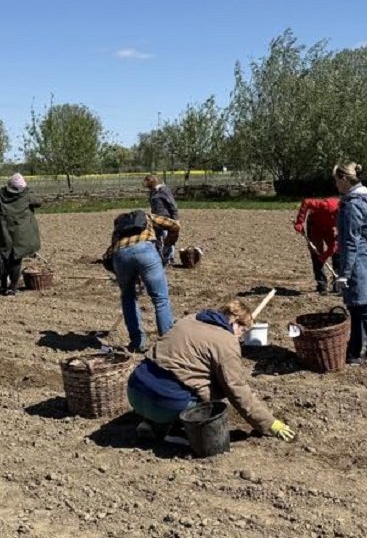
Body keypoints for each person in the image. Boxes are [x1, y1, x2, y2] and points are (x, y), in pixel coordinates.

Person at [127, 299, 296, 443]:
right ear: (235, 321)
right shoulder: (226, 342)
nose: (240, 337)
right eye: (243, 331)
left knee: (176, 375)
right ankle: (177, 431)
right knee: (216, 390)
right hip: (166, 403)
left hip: (135, 390)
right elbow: (237, 389)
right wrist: (269, 423)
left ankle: (150, 423)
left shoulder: (190, 319)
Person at [102, 209, 179, 352]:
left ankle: (137, 343)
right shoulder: (146, 216)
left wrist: (127, 277)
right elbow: (174, 225)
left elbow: (110, 256)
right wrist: (169, 241)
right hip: (146, 251)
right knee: (160, 299)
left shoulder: (118, 229)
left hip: (121, 255)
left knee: (128, 298)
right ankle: (167, 344)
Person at [333, 162, 367, 366]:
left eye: (337, 180)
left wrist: (344, 273)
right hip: (365, 261)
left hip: (358, 265)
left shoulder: (353, 204)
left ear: (345, 179)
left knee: (366, 310)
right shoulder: (364, 200)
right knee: (356, 309)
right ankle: (353, 353)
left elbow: (351, 242)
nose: (336, 185)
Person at [0, 173, 42, 296]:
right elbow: (39, 202)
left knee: (4, 258)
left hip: (4, 232)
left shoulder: (0, 197)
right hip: (20, 234)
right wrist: (28, 190)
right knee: (16, 260)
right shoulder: (27, 196)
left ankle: (2, 285)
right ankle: (13, 287)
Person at [293, 196, 341, 294]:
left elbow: (337, 239)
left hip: (329, 228)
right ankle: (322, 284)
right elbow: (306, 202)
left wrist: (327, 253)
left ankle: (338, 284)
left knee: (337, 252)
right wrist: (299, 222)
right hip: (314, 225)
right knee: (316, 252)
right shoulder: (323, 205)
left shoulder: (344, 218)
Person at [144, 174, 179, 265]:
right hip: (156, 218)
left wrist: (176, 219)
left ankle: (169, 258)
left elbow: (173, 205)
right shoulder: (153, 192)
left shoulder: (164, 191)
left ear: (152, 182)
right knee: (157, 238)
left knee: (167, 238)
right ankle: (160, 256)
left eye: (147, 183)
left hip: (166, 218)